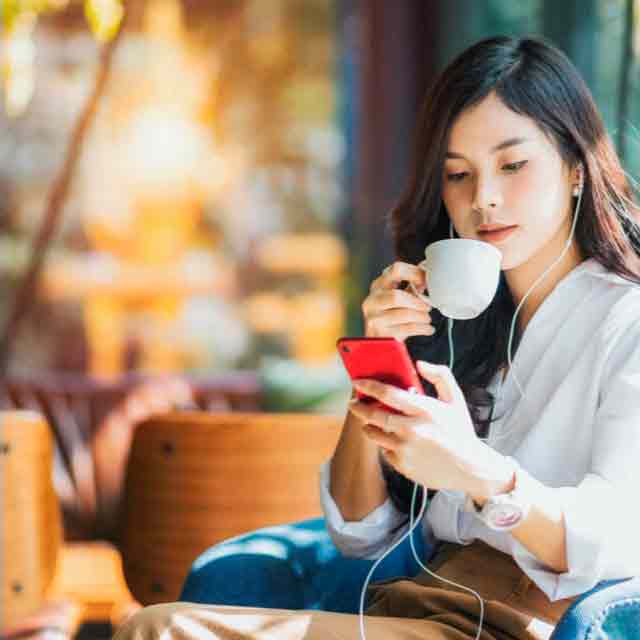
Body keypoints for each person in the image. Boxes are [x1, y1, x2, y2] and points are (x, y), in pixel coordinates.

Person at [114, 34, 640, 640]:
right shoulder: (462, 325)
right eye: (458, 174)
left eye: (513, 165)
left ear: (576, 168)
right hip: (410, 606)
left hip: (504, 624)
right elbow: (358, 531)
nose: (483, 198)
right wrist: (382, 366)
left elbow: (618, 534)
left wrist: (480, 473)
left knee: (163, 631)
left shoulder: (624, 322)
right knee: (154, 626)